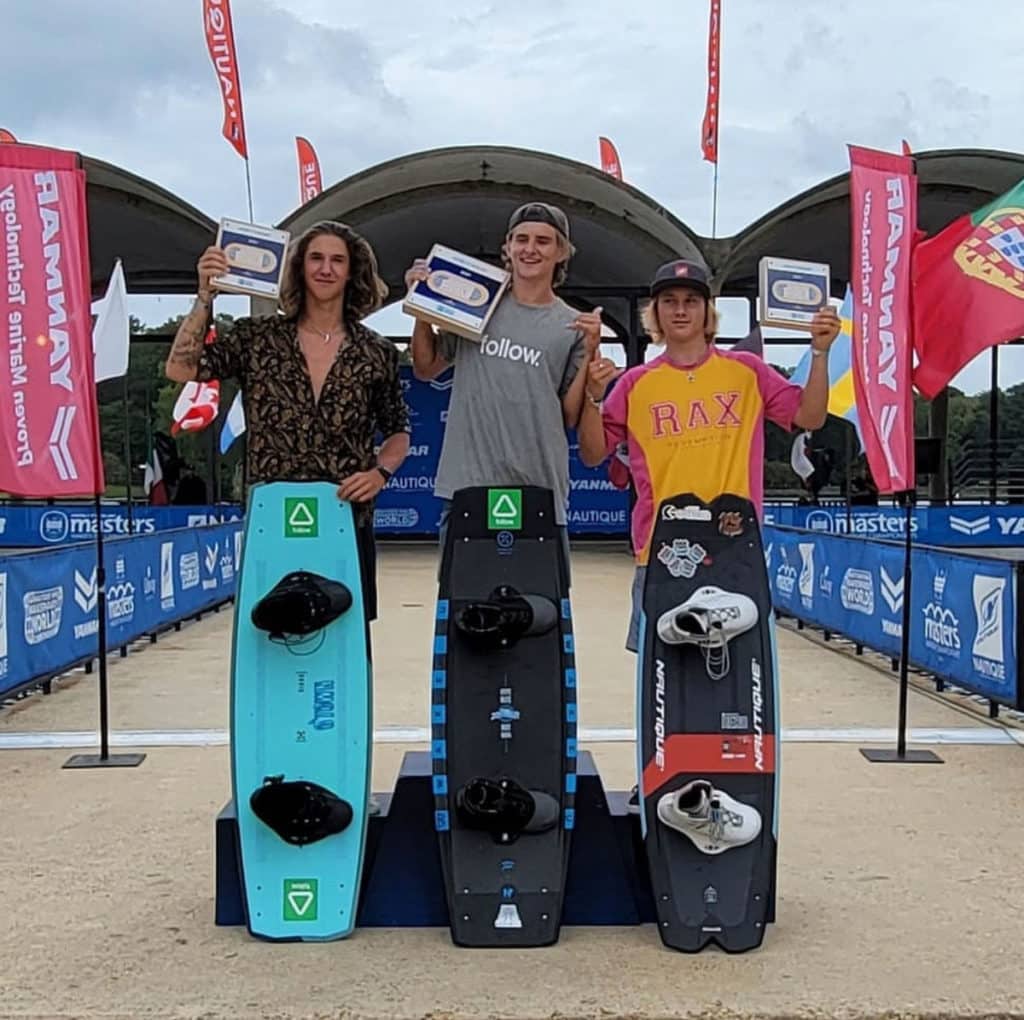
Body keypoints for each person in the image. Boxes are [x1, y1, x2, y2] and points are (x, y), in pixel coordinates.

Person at [576, 257, 839, 821]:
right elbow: (595, 453)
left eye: (690, 301)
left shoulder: (746, 372)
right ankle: (658, 786)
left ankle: (728, 788)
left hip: (734, 548)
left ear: (706, 312)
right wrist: (595, 398)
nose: (679, 310)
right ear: (655, 314)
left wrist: (818, 353)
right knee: (661, 674)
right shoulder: (635, 384)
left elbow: (811, 417)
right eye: (669, 301)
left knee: (736, 677)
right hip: (660, 550)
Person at [164, 220, 411, 626]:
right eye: (316, 258)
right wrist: (205, 297)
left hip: (346, 517)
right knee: (268, 641)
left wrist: (380, 472)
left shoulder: (376, 351)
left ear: (353, 272)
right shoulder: (256, 337)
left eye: (337, 260)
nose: (326, 269)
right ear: (298, 267)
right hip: (271, 516)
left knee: (344, 647)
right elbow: (180, 368)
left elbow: (398, 429)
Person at [405, 202, 603, 564]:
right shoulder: (479, 301)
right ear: (507, 247)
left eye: (543, 241)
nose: (530, 249)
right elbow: (426, 366)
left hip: (539, 486)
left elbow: (570, 416)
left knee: (540, 612)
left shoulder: (573, 325)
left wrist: (591, 351)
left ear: (561, 252)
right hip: (467, 484)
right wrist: (421, 307)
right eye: (521, 239)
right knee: (463, 609)